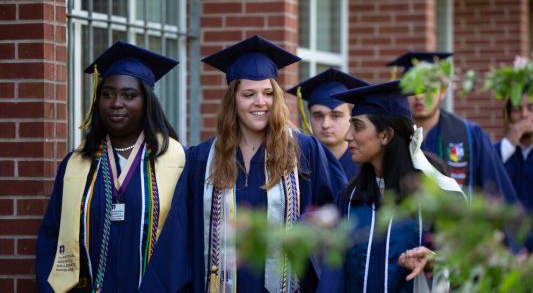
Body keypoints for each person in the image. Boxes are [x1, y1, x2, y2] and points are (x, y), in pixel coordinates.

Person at [139, 35, 347, 293]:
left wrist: (306, 226)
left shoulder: (305, 151)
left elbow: (340, 215)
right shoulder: (203, 158)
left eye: (268, 94)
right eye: (249, 94)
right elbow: (180, 236)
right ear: (233, 100)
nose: (260, 102)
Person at [35, 42, 186, 292]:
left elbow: (185, 241)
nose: (116, 103)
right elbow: (52, 236)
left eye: (129, 95)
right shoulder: (76, 164)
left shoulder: (176, 161)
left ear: (146, 102)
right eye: (107, 94)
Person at [316, 80, 464, 292]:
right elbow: (333, 278)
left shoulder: (439, 196)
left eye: (357, 126)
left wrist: (435, 261)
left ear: (385, 135)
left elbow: (470, 268)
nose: (348, 136)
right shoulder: (350, 199)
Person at [387, 51, 518, 203]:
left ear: (442, 91)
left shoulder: (470, 134)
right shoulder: (392, 137)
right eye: (412, 88)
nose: (419, 96)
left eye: (427, 88)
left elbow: (497, 193)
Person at [287, 68, 368, 180]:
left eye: (335, 115)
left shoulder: (367, 169)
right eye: (318, 115)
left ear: (351, 117)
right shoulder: (296, 167)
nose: (326, 124)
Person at [494, 91, 533, 252]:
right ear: (509, 115)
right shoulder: (497, 153)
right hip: (503, 258)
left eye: (531, 108)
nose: (524, 115)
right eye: (517, 109)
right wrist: (510, 140)